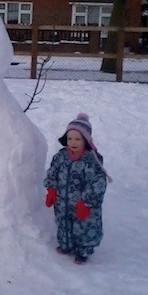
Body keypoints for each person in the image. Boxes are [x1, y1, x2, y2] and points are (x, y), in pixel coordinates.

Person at [44, 113, 110, 264]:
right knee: (64, 223)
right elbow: (52, 172)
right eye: (70, 138)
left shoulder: (91, 161)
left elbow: (97, 184)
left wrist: (86, 202)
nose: (73, 142)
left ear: (86, 140)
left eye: (78, 139)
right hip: (63, 203)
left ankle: (83, 251)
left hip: (82, 205)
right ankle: (66, 245)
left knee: (83, 227)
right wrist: (51, 189)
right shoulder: (61, 157)